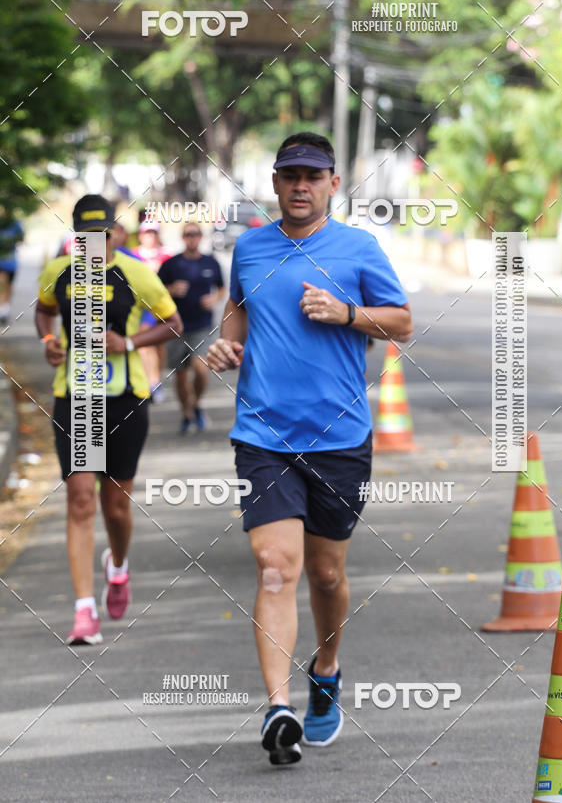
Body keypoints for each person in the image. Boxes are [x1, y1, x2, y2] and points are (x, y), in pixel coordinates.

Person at [207, 132, 413, 766]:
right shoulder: (249, 246)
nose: (301, 185)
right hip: (262, 435)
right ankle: (278, 709)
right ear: (274, 183)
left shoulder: (358, 248)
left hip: (340, 437)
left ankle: (326, 669)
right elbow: (238, 313)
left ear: (331, 185)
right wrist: (224, 345)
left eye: (313, 176)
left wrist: (347, 313)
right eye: (290, 174)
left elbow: (402, 320)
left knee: (326, 573)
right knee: (276, 567)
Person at [35, 195, 182, 644]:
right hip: (77, 399)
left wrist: (131, 343)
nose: (94, 244)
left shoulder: (136, 273)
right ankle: (84, 612)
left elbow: (172, 323)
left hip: (123, 400)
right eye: (86, 237)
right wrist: (48, 339)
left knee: (115, 506)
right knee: (80, 499)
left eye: (102, 235)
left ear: (114, 232)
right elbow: (44, 310)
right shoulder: (58, 272)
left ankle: (117, 567)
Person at [158, 225, 225, 434]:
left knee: (201, 369)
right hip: (176, 327)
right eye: (188, 234)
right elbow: (156, 290)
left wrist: (214, 299)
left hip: (202, 326)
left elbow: (222, 288)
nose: (192, 238)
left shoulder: (210, 262)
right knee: (180, 375)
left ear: (201, 237)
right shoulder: (171, 264)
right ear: (183, 237)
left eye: (196, 234)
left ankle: (196, 403)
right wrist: (171, 289)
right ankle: (187, 414)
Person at [132, 220, 170, 401]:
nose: (150, 237)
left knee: (160, 346)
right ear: (140, 235)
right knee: (145, 342)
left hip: (163, 306)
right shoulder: (132, 256)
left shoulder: (166, 256)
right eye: (147, 233)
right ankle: (152, 382)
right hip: (142, 307)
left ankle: (157, 378)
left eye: (153, 233)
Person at [0, 218, 24, 323]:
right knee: (2, 284)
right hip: (3, 262)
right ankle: (3, 309)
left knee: (8, 286)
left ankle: (5, 309)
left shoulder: (14, 223)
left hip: (10, 262)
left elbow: (21, 237)